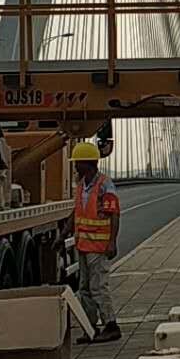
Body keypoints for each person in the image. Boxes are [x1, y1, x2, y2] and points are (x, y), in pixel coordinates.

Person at [70, 140, 121, 342]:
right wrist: (62, 235)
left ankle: (111, 325)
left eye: (77, 162)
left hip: (99, 247)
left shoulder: (104, 185)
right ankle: (90, 328)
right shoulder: (81, 185)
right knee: (84, 289)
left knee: (98, 287)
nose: (75, 166)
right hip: (83, 245)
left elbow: (114, 214)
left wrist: (112, 242)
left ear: (88, 163)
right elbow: (76, 212)